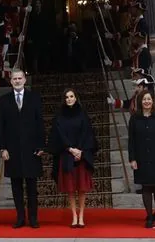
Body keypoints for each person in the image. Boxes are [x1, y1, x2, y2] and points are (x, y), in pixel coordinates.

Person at [0, 68, 45, 229]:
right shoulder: (4, 100)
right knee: (16, 186)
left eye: (20, 78)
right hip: (12, 150)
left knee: (32, 187)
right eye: (14, 79)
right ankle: (20, 217)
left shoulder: (34, 98)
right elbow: (1, 127)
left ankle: (33, 218)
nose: (17, 81)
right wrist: (3, 148)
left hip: (31, 149)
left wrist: (41, 145)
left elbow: (40, 124)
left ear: (25, 80)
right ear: (10, 81)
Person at [49, 88, 96, 228]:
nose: (69, 99)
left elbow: (87, 133)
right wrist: (70, 149)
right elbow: (58, 135)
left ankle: (81, 216)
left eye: (71, 96)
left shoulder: (82, 114)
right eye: (66, 97)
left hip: (82, 155)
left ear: (76, 98)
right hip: (66, 154)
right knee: (70, 189)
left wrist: (80, 151)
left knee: (81, 188)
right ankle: (74, 216)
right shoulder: (59, 116)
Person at [128, 91, 155, 229]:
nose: (147, 101)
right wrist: (132, 159)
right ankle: (149, 217)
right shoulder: (134, 118)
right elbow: (131, 141)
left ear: (153, 101)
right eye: (144, 99)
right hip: (141, 158)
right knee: (146, 187)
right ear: (140, 101)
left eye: (149, 99)